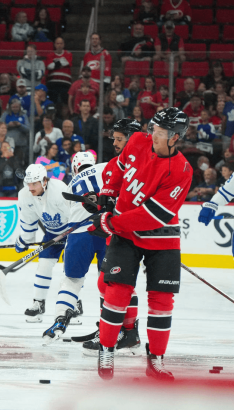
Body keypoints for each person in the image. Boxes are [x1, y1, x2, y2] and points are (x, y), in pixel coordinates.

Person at [90, 107, 191, 381]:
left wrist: (112, 222)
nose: (152, 136)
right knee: (117, 293)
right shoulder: (137, 141)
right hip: (126, 234)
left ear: (174, 138)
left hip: (161, 237)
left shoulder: (182, 170)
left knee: (162, 301)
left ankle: (155, 360)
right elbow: (117, 169)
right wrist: (107, 197)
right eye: (152, 130)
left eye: (158, 133)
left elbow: (154, 216)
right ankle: (106, 348)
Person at [77, 118, 144, 355]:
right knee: (107, 283)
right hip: (114, 231)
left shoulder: (146, 165)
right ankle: (124, 332)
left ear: (133, 139)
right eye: (113, 138)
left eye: (119, 138)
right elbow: (111, 198)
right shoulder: (114, 164)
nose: (114, 143)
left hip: (130, 233)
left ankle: (125, 333)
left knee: (117, 283)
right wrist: (97, 204)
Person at [42, 152, 106, 343]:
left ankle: (60, 321)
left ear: (74, 168)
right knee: (110, 282)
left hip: (79, 235)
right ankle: (109, 327)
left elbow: (64, 220)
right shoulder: (105, 169)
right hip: (106, 229)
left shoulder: (70, 185)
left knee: (72, 280)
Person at [15, 163, 70, 322]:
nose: (30, 187)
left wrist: (72, 234)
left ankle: (72, 306)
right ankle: (38, 303)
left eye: (34, 183)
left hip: (71, 232)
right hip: (52, 233)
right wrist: (25, 240)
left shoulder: (59, 190)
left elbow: (75, 214)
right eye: (28, 183)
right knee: (44, 265)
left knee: (70, 270)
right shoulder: (24, 195)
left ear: (44, 181)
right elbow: (28, 221)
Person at [45, 37, 72, 114]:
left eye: (61, 43)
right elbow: (49, 66)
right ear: (54, 45)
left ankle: (66, 118)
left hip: (65, 83)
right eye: (57, 43)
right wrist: (61, 62)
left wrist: (55, 64)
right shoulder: (50, 55)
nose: (59, 45)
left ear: (64, 45)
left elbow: (67, 62)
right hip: (52, 83)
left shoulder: (68, 54)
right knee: (52, 102)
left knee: (65, 102)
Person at [1, 98, 30, 164]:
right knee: (8, 162)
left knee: (19, 163)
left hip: (21, 144)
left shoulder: (23, 115)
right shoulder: (5, 115)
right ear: (10, 107)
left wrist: (20, 125)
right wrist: (8, 125)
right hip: (8, 144)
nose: (15, 108)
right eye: (13, 107)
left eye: (17, 107)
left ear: (20, 107)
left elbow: (28, 129)